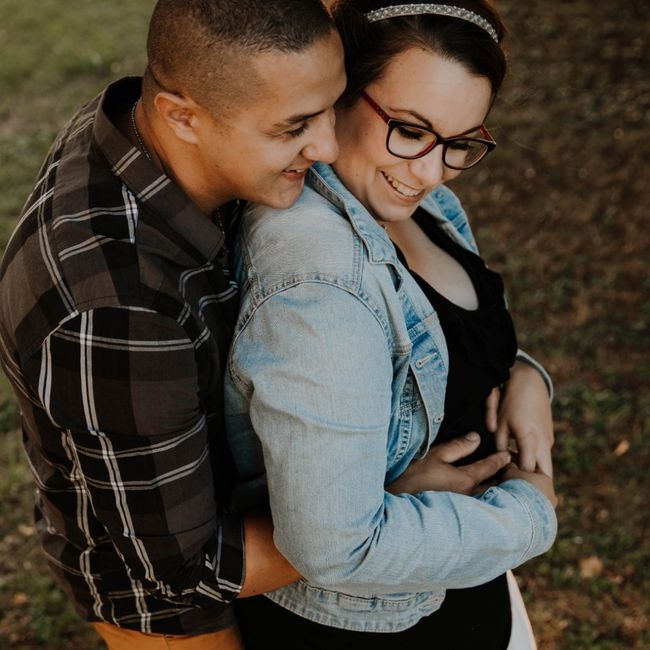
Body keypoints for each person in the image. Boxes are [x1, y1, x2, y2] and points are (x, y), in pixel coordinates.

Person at [0, 1, 347, 647]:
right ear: (182, 117)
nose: (327, 146)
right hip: (174, 613)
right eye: (294, 126)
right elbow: (189, 568)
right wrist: (385, 513)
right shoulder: (114, 311)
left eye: (333, 107)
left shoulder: (151, 128)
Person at [224, 0, 557, 648]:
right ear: (338, 90)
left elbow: (448, 344)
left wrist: (524, 375)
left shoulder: (418, 201)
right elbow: (337, 548)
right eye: (410, 129)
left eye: (460, 143)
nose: (430, 172)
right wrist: (531, 514)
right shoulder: (319, 287)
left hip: (454, 573)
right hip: (374, 623)